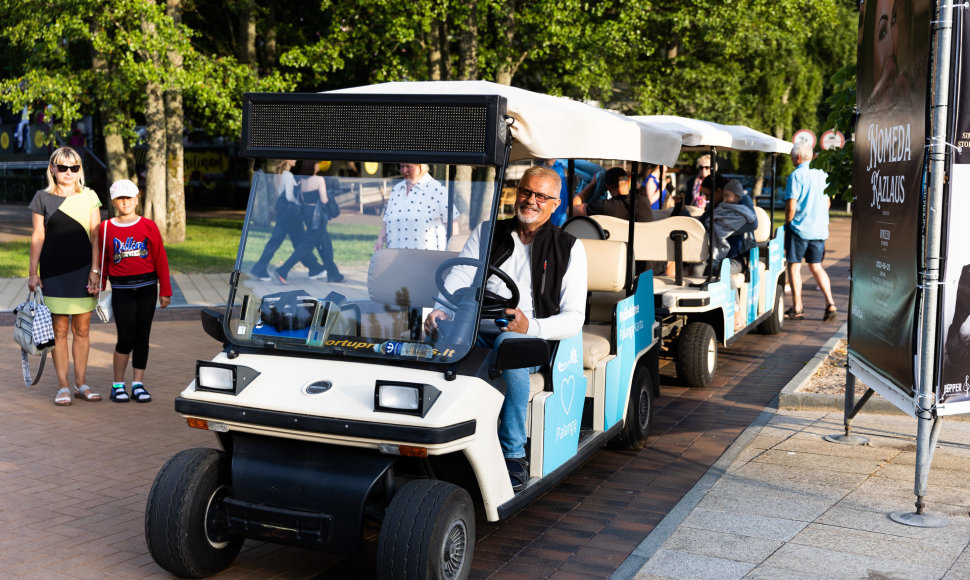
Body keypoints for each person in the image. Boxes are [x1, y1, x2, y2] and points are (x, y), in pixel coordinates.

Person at [424, 166, 587, 490]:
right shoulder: (488, 231)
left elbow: (574, 317)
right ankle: (432, 437)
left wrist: (532, 325)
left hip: (528, 335)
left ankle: (513, 454)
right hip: (477, 322)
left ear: (555, 204)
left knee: (510, 347)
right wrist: (440, 311)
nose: (531, 201)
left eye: (542, 196)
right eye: (526, 192)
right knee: (433, 343)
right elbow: (459, 278)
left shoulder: (569, 246)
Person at [27, 146, 102, 406]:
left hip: (83, 272)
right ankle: (62, 386)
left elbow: (96, 237)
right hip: (54, 273)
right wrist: (32, 272)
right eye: (62, 167)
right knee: (59, 331)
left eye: (74, 167)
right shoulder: (41, 198)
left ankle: (81, 384)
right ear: (53, 169)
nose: (68, 173)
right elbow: (38, 236)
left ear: (80, 170)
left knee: (82, 330)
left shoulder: (91, 197)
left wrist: (95, 271)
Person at [93, 179, 172, 403]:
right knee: (125, 338)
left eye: (129, 197)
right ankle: (117, 385)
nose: (125, 202)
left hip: (147, 288)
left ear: (137, 199)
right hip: (122, 290)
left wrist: (165, 289)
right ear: (114, 201)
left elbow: (160, 258)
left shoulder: (149, 226)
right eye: (120, 198)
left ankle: (138, 384)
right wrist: (100, 283)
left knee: (142, 336)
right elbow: (104, 259)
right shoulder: (106, 227)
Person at [784, 141, 836, 321]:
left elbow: (792, 204)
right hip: (819, 230)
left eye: (792, 157)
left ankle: (797, 306)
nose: (791, 160)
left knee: (794, 266)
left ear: (797, 157)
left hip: (799, 228)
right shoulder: (822, 174)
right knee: (816, 266)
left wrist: (788, 223)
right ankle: (830, 303)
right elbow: (828, 202)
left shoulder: (796, 175)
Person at [250, 159, 324, 283]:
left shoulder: (279, 175)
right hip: (291, 214)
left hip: (282, 213)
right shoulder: (288, 176)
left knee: (276, 241)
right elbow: (289, 196)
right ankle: (313, 268)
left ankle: (259, 268)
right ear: (286, 160)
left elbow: (279, 194)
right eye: (292, 158)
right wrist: (298, 203)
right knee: (300, 241)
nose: (295, 159)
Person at [276, 160, 343, 283]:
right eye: (316, 164)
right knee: (308, 245)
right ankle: (283, 269)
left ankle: (333, 274)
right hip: (317, 217)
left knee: (325, 244)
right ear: (311, 167)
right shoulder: (319, 180)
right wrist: (331, 204)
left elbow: (302, 199)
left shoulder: (303, 181)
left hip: (307, 214)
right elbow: (324, 200)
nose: (318, 165)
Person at [375, 163, 458, 251]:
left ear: (421, 167)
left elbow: (452, 223)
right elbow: (387, 220)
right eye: (402, 167)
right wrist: (380, 239)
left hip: (427, 258)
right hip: (396, 257)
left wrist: (452, 252)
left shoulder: (437, 189)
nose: (404, 170)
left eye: (408, 167)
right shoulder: (397, 189)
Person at [700, 178, 758, 276]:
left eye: (708, 195)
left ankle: (733, 292)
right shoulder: (716, 206)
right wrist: (682, 209)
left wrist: (723, 230)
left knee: (722, 269)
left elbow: (754, 223)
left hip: (737, 255)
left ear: (718, 191)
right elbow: (701, 224)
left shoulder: (742, 200)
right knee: (697, 269)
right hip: (715, 254)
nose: (706, 199)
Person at [571, 166, 654, 222]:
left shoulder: (603, 206)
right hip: (646, 245)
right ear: (628, 182)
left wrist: (591, 185)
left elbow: (570, 210)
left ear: (607, 187)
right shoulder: (644, 201)